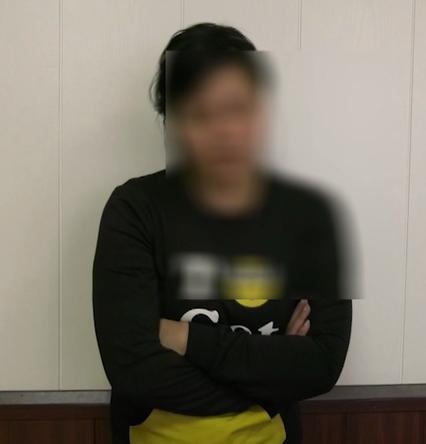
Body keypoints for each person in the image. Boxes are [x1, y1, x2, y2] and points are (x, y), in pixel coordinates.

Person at [92, 22, 353, 444]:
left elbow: (322, 362)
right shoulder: (134, 210)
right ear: (172, 121)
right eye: (199, 112)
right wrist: (273, 375)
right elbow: (134, 369)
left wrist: (183, 336)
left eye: (236, 108)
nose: (223, 130)